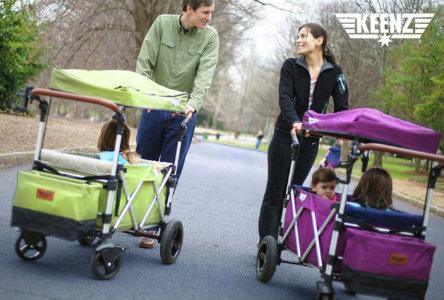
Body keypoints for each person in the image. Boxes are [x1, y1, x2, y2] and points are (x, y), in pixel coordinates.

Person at [135, 0, 219, 248]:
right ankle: (134, 214)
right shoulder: (162, 24)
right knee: (142, 166)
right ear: (189, 9)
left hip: (183, 113)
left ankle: (151, 223)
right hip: (154, 107)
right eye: (205, 12)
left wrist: (193, 104)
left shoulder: (210, 38)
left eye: (211, 12)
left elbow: (205, 75)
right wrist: (144, 96)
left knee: (168, 172)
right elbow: (145, 61)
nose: (209, 18)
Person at [258, 23, 349, 241]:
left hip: (310, 140)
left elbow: (342, 107)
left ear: (319, 41)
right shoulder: (290, 65)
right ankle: (267, 244)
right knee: (275, 192)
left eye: (303, 36)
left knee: (294, 191)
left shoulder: (335, 73)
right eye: (297, 36)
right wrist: (296, 122)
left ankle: (287, 237)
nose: (298, 40)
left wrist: (338, 129)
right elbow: (285, 98)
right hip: (285, 135)